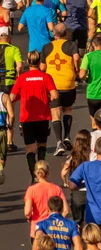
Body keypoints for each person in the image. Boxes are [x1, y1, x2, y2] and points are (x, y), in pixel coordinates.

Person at [11, 51, 59, 181]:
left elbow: (12, 97)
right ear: (39, 62)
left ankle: (34, 177)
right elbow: (55, 95)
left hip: (27, 118)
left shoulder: (21, 78)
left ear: (28, 62)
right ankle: (42, 174)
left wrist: (22, 97)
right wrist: (46, 100)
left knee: (30, 149)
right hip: (43, 117)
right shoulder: (46, 77)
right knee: (42, 146)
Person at [40, 23, 80, 155]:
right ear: (66, 33)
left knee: (55, 112)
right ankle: (67, 135)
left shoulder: (46, 47)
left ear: (54, 33)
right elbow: (76, 58)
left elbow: (42, 68)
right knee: (67, 109)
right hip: (68, 84)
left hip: (53, 85)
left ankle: (59, 142)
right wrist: (76, 69)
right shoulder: (71, 45)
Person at [24, 160, 69, 240]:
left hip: (37, 228)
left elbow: (27, 211)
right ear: (48, 173)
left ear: (35, 173)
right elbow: (66, 210)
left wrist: (29, 217)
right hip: (54, 229)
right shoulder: (57, 189)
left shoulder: (31, 190)